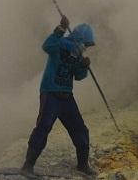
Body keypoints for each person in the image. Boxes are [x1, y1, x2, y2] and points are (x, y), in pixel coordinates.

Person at [20, 16, 97, 178]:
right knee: (43, 127)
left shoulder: (78, 53)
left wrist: (84, 67)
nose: (86, 48)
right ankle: (27, 166)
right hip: (50, 93)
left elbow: (78, 76)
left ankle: (82, 165)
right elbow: (46, 46)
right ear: (80, 39)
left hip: (66, 96)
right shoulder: (61, 43)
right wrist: (60, 30)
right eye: (86, 44)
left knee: (80, 129)